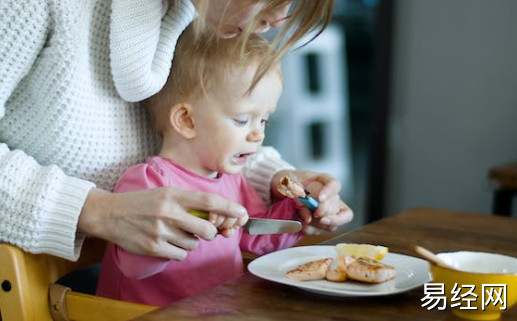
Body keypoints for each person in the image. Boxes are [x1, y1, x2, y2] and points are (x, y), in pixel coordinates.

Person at [0, 0, 351, 264]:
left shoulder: (193, 10)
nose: (279, 18)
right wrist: (96, 211)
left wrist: (272, 179)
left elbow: (201, 130)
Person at [97, 25, 341, 305]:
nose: (258, 134)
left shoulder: (231, 180)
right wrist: (186, 226)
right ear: (187, 121)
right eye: (242, 120)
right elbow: (134, 268)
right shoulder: (147, 183)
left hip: (221, 309)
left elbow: (255, 241)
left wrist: (297, 215)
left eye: (264, 120)